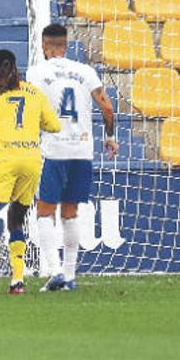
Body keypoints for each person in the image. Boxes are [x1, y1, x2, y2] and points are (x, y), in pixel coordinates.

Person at [27, 24, 118, 292]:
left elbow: (31, 109)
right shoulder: (86, 72)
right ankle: (70, 276)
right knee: (71, 212)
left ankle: (55, 271)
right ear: (65, 46)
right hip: (82, 151)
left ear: (45, 46)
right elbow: (107, 107)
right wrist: (111, 137)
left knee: (44, 211)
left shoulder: (37, 73)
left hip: (53, 151)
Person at [0, 50, 61, 295]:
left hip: (4, 159)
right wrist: (31, 123)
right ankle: (18, 281)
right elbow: (54, 125)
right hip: (31, 160)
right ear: (16, 67)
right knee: (16, 221)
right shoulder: (33, 92)